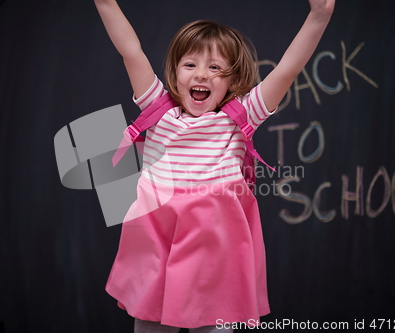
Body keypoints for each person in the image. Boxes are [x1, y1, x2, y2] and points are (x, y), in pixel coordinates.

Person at [93, 0, 335, 332]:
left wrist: (318, 17)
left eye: (215, 68)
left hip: (215, 256)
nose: (201, 74)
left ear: (233, 83)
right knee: (150, 323)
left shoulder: (240, 118)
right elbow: (131, 50)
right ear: (176, 74)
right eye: (190, 64)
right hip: (156, 243)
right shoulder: (158, 110)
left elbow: (287, 70)